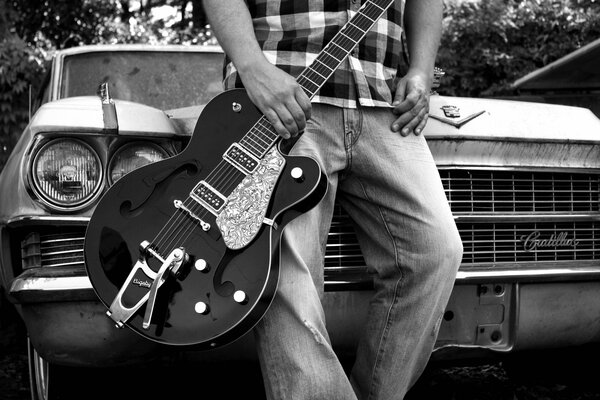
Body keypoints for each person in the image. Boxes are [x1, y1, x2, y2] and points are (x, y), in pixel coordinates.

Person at [203, 0, 463, 399]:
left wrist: (423, 71)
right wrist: (252, 68)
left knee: (435, 250)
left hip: (383, 102)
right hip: (282, 97)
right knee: (280, 267)